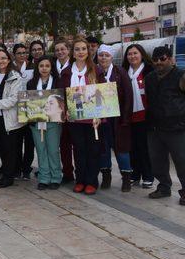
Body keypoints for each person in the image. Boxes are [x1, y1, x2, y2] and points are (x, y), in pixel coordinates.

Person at [59, 36, 105, 195]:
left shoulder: (96, 70)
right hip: (74, 117)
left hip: (93, 117)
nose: (80, 52)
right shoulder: (66, 73)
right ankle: (81, 180)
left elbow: (101, 93)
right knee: (78, 149)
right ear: (72, 52)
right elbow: (63, 95)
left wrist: (99, 114)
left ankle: (92, 181)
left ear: (89, 51)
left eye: (83, 49)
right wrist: (63, 109)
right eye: (77, 49)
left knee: (93, 149)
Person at [145, 46, 185, 204]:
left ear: (170, 59)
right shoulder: (149, 78)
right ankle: (163, 187)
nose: (159, 62)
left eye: (162, 59)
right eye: (155, 60)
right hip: (154, 127)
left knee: (182, 161)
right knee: (157, 160)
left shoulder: (180, 75)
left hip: (177, 127)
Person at [0, 49, 25, 188]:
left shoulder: (15, 76)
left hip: (7, 118)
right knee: (1, 147)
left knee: (9, 149)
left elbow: (14, 99)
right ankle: (5, 174)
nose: (1, 61)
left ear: (9, 59)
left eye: (3, 58)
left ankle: (9, 177)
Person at [97, 44, 134, 192]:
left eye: (106, 55)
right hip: (101, 119)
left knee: (121, 150)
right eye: (101, 55)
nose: (103, 58)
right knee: (103, 149)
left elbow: (128, 96)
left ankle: (126, 178)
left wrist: (125, 118)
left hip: (118, 120)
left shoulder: (120, 72)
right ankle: (106, 175)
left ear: (112, 57)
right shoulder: (94, 72)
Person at [123, 44, 154, 189]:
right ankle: (135, 175)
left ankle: (148, 176)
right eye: (129, 54)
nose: (132, 56)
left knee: (144, 148)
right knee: (132, 148)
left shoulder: (149, 70)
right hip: (129, 116)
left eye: (135, 53)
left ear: (141, 54)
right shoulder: (123, 72)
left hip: (145, 117)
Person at [13, 43, 35, 179]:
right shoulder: (11, 68)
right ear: (14, 55)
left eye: (24, 53)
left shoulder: (33, 67)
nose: (22, 55)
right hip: (15, 107)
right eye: (19, 53)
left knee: (29, 141)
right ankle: (17, 167)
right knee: (16, 140)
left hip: (30, 107)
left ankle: (26, 168)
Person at [53, 37, 74, 183]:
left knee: (77, 144)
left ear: (68, 50)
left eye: (63, 49)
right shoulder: (52, 67)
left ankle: (81, 172)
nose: (60, 52)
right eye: (57, 50)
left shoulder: (74, 66)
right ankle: (67, 173)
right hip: (57, 111)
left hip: (72, 110)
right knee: (63, 144)